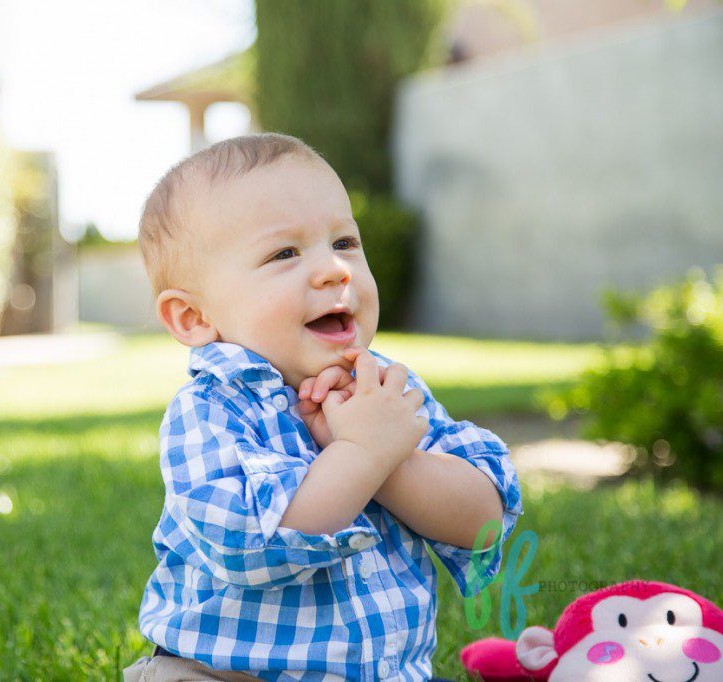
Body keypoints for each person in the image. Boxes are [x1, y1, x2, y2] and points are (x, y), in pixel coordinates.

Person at [123, 132, 523, 681]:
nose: (336, 270)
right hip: (219, 674)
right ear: (194, 318)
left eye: (344, 243)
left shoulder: (386, 391)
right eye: (284, 253)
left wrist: (390, 459)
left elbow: (483, 521)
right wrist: (359, 452)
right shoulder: (211, 411)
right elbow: (252, 545)